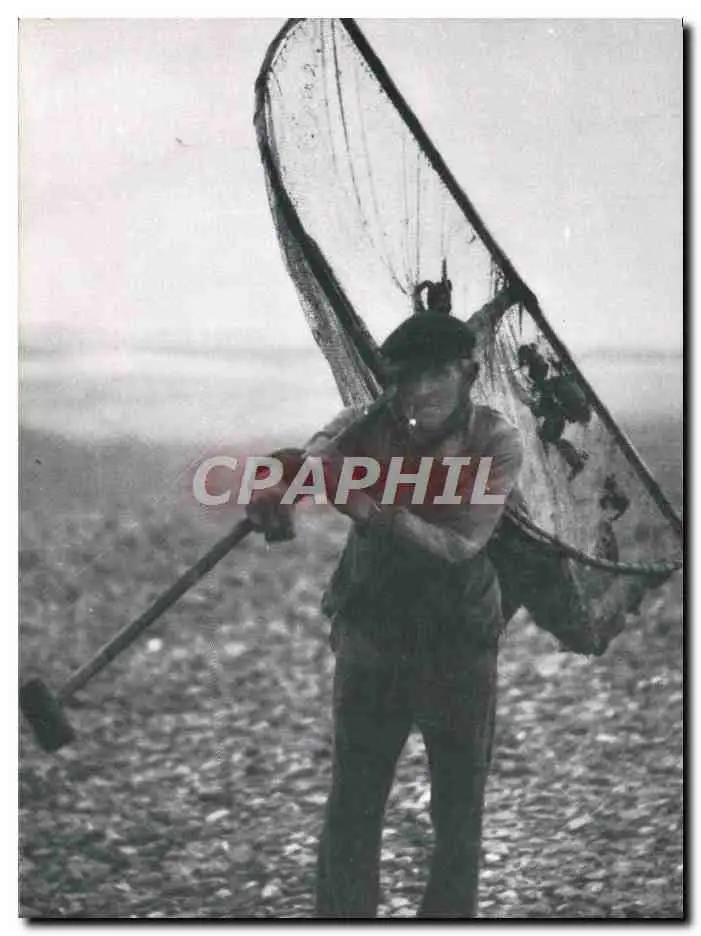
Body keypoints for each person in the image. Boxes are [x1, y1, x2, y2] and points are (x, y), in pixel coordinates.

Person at [247, 313, 523, 918]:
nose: (419, 391)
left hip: (458, 642)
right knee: (354, 801)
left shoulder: (496, 442)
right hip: (372, 635)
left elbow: (461, 544)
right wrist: (276, 486)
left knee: (458, 810)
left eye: (435, 374)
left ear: (468, 373)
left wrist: (370, 510)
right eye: (406, 377)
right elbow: (310, 459)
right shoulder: (366, 423)